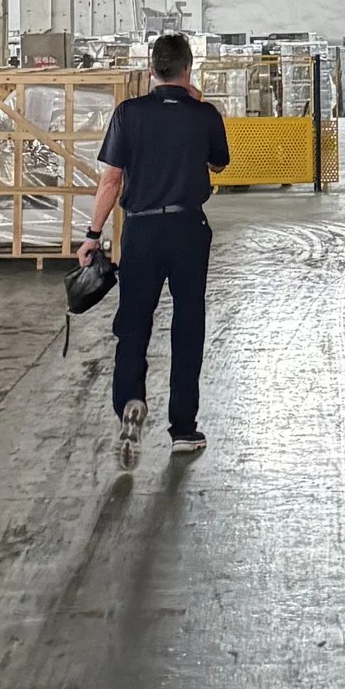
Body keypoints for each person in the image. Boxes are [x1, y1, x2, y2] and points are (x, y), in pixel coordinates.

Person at [82, 33, 231, 468]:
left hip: (141, 231)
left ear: (152, 70)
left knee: (133, 322)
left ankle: (130, 400)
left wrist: (93, 235)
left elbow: (111, 180)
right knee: (188, 325)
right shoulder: (204, 115)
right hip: (187, 227)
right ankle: (183, 429)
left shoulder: (128, 114)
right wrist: (196, 104)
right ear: (188, 70)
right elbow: (219, 163)